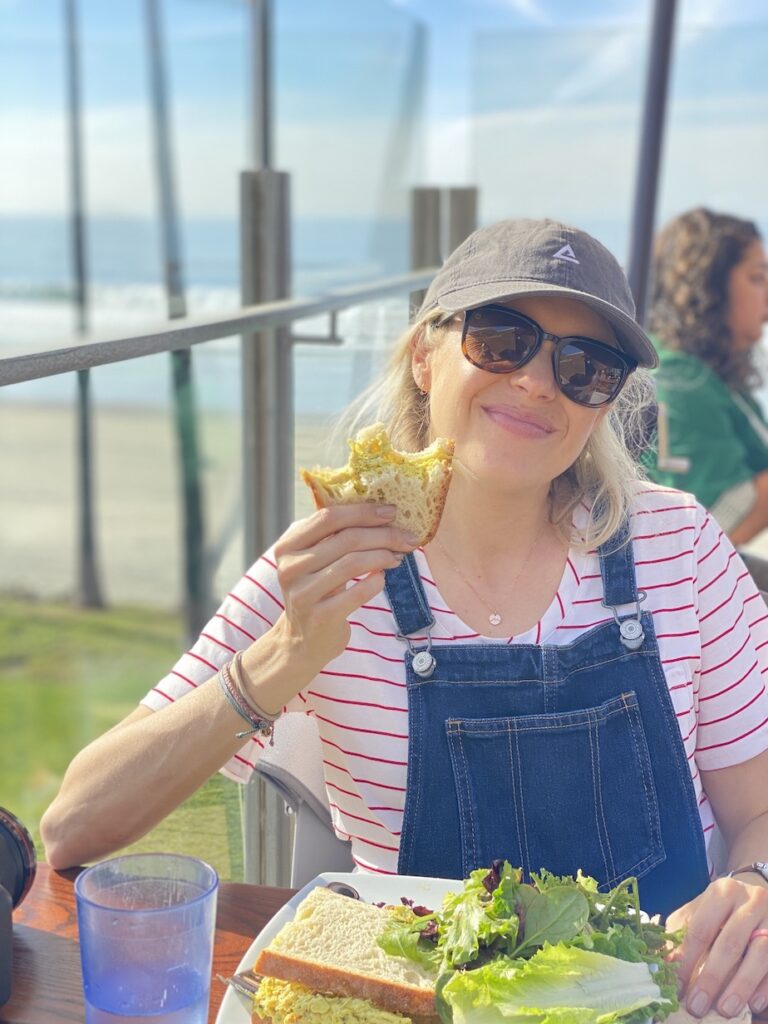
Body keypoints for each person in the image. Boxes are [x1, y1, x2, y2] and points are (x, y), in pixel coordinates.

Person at [41, 219, 768, 1019]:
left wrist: (755, 886)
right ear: (426, 356)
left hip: (665, 999)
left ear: (603, 405)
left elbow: (758, 813)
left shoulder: (680, 548)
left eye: (584, 367)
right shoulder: (326, 571)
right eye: (502, 339)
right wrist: (281, 660)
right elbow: (76, 825)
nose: (536, 383)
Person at [645, 208, 768, 544]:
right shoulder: (679, 379)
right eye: (757, 278)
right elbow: (711, 525)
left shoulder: (715, 379)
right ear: (710, 286)